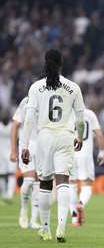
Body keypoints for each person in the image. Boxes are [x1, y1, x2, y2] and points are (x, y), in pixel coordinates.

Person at [21, 48, 85, 242]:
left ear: (44, 63)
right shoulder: (73, 87)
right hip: (65, 136)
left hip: (44, 138)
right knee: (63, 181)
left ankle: (46, 229)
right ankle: (61, 228)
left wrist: (24, 144)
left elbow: (30, 118)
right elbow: (80, 120)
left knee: (45, 184)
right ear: (62, 64)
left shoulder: (35, 87)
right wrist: (80, 137)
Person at [69, 108, 104, 227]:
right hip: (85, 154)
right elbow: (99, 135)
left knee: (72, 186)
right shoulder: (89, 114)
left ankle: (74, 219)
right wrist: (101, 152)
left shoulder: (67, 113)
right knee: (86, 186)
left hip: (70, 154)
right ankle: (81, 204)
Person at [10, 97, 41, 228]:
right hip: (27, 146)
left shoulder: (50, 99)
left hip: (42, 148)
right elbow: (15, 126)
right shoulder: (26, 101)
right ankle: (24, 210)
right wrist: (13, 150)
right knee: (28, 182)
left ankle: (34, 219)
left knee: (39, 183)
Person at [0, 111, 17, 203]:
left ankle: (10, 195)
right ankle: (4, 195)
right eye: (3, 114)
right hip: (1, 154)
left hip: (11, 152)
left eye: (5, 114)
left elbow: (17, 139)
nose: (4, 116)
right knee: (1, 175)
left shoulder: (12, 126)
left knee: (11, 174)